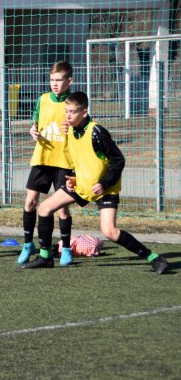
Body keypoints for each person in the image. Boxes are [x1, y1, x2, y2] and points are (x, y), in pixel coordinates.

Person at [23, 91, 169, 274]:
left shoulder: (96, 132)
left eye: (72, 112)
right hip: (83, 185)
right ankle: (45, 257)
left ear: (84, 112)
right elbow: (83, 160)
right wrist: (75, 177)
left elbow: (118, 160)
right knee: (44, 209)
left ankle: (153, 257)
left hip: (105, 188)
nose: (67, 115)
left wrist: (104, 182)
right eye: (66, 111)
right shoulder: (70, 132)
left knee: (110, 232)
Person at [18, 60, 75, 266]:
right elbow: (35, 122)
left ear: (69, 80)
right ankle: (27, 245)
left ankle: (65, 248)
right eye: (52, 80)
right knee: (30, 202)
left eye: (59, 80)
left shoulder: (73, 103)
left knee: (62, 209)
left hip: (64, 161)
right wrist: (32, 130)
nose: (55, 84)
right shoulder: (42, 99)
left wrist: (74, 130)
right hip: (42, 158)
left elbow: (83, 129)